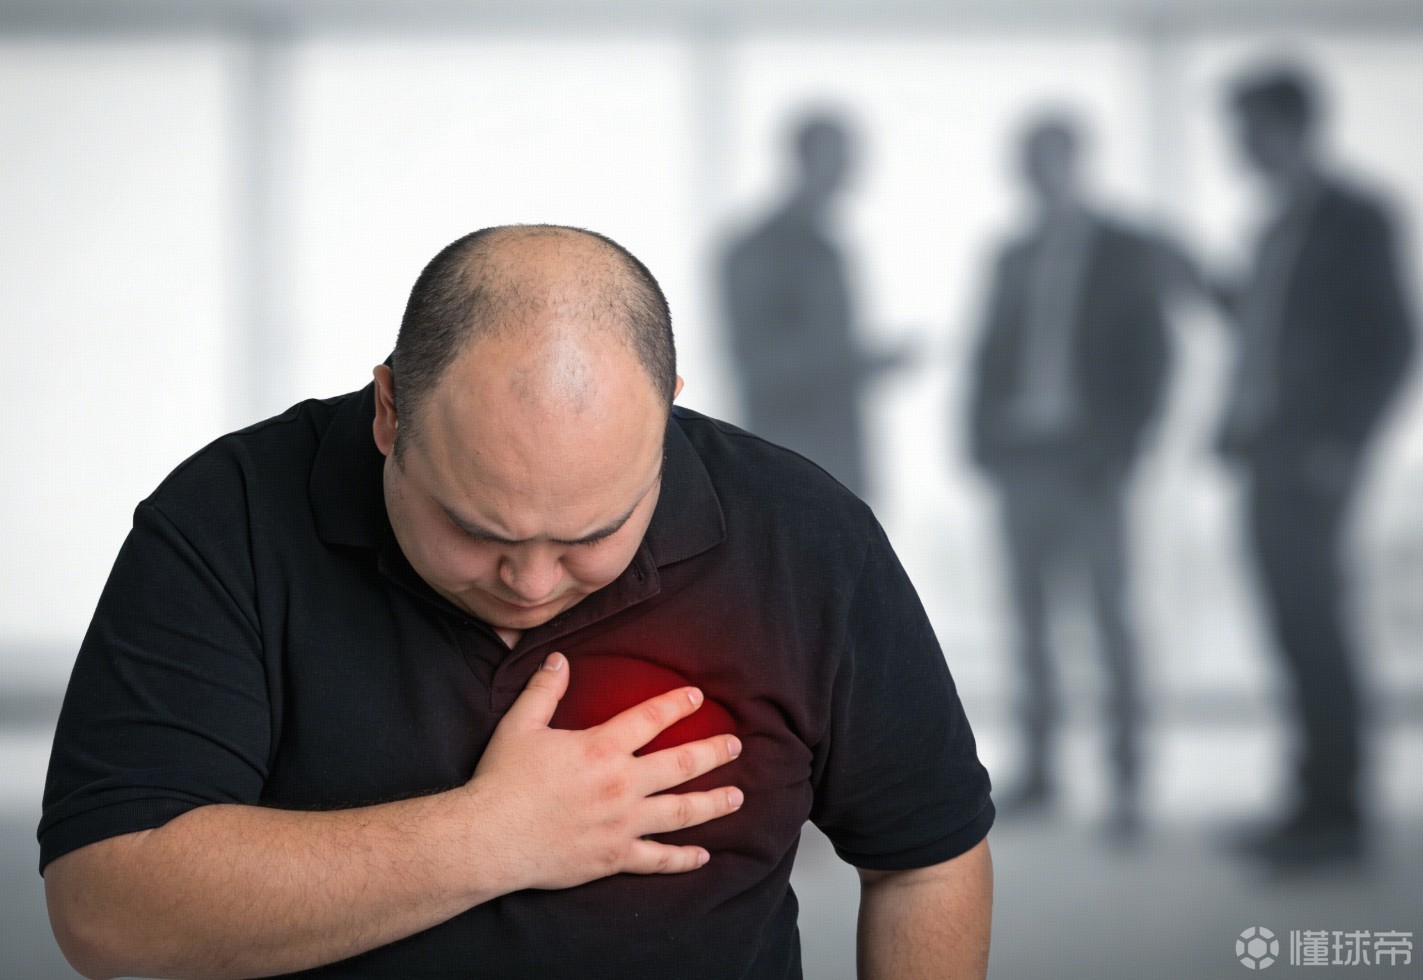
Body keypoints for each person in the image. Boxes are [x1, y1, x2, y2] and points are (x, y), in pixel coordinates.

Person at [40, 225, 994, 978]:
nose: (532, 583)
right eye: (476, 529)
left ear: (665, 413)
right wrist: (492, 837)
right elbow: (107, 909)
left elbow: (924, 863)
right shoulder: (231, 515)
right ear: (390, 412)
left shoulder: (805, 534)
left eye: (591, 534)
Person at [1213, 64, 1414, 868]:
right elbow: (1265, 333)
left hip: (1312, 456)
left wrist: (1340, 443)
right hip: (1264, 450)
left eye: (1247, 128)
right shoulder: (1273, 228)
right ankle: (1309, 802)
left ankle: (1338, 815)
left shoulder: (1354, 217)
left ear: (1291, 126)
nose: (1237, 144)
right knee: (1291, 629)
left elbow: (1390, 340)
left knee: (1315, 627)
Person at [967, 113, 1170, 838]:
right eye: (1028, 160)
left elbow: (1152, 355)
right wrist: (981, 444)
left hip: (1090, 462)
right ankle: (1041, 769)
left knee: (1109, 617)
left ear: (1075, 161)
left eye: (1049, 158)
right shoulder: (1011, 253)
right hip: (1022, 456)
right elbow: (987, 353)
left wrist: (1122, 446)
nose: (1037, 173)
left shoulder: (1124, 248)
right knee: (1029, 621)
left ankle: (1127, 777)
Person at [721, 112, 913, 503]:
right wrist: (856, 363)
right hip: (791, 453)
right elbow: (761, 361)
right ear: (808, 159)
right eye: (838, 158)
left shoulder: (823, 248)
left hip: (828, 458)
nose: (847, 171)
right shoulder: (760, 251)